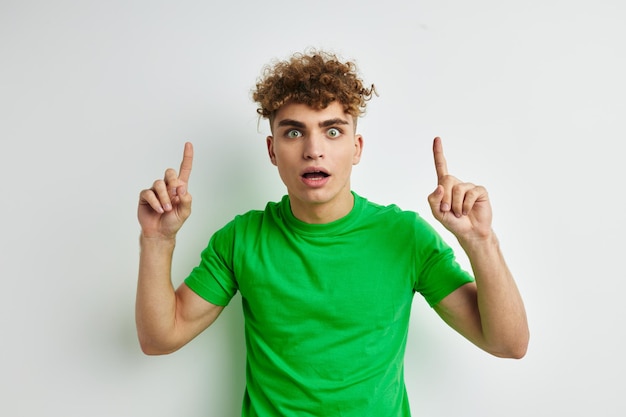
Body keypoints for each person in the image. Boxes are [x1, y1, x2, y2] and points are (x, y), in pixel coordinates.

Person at [136, 50, 529, 416]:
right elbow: (159, 338)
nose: (313, 149)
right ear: (272, 151)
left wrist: (480, 240)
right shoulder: (241, 239)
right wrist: (157, 240)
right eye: (294, 133)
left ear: (356, 147)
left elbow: (508, 343)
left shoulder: (406, 236)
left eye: (333, 131)